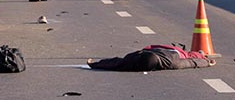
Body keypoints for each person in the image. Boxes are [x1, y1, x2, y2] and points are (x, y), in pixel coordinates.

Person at [87, 44, 215, 71]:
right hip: (172, 51)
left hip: (162, 50)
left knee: (122, 63)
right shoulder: (173, 62)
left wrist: (95, 64)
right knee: (188, 54)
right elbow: (191, 62)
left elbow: (191, 62)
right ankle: (201, 52)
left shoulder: (172, 63)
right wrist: (206, 61)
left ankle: (201, 53)